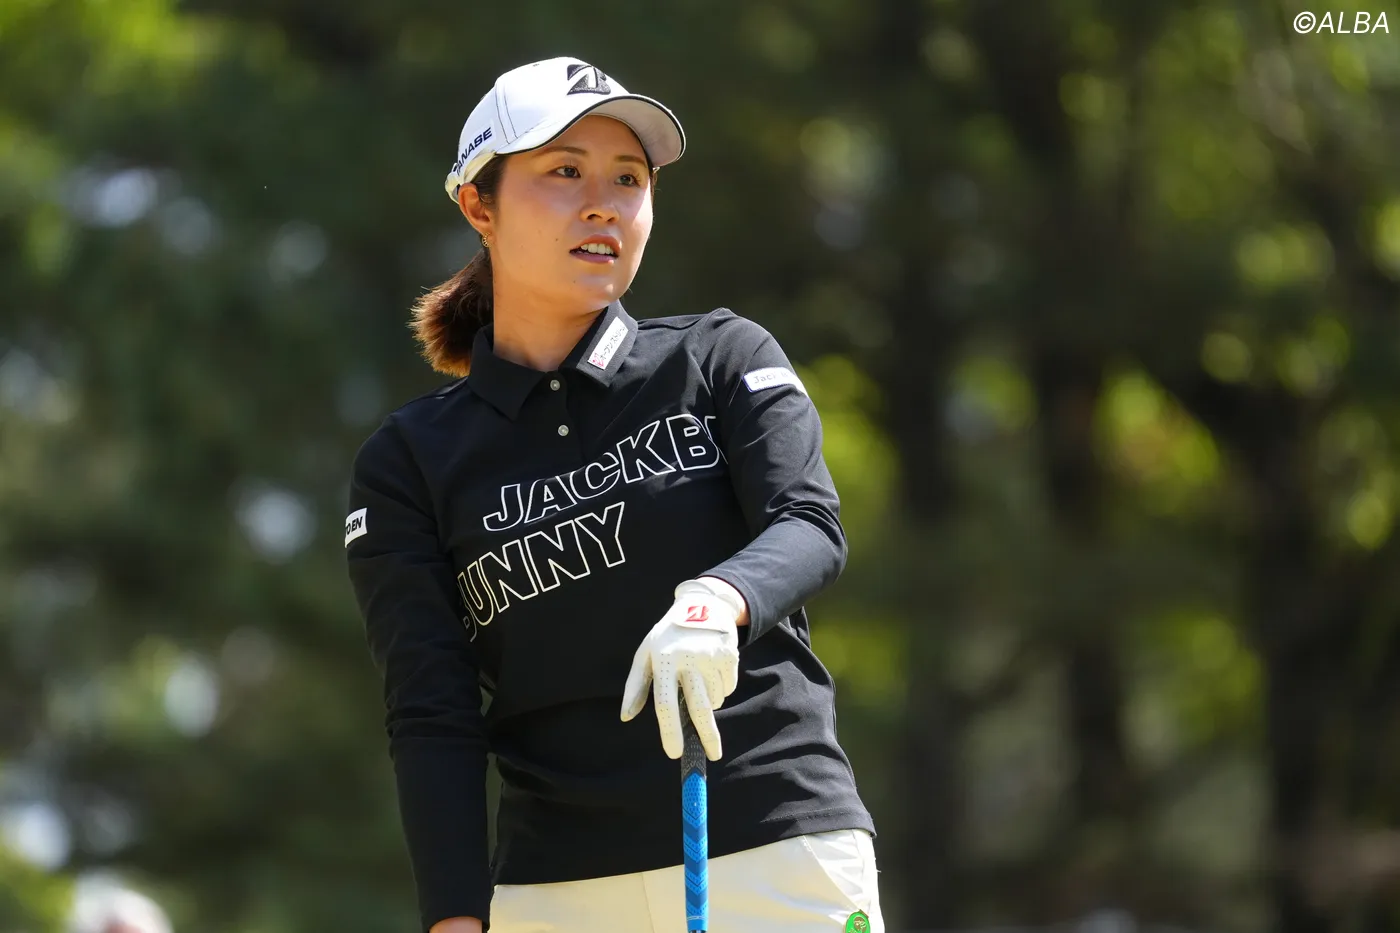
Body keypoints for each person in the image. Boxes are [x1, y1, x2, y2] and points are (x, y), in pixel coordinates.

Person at [344, 56, 883, 933]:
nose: (603, 204)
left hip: (772, 848)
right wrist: (454, 919)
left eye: (628, 178)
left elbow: (809, 523)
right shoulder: (409, 461)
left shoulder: (721, 358)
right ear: (479, 206)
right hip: (556, 891)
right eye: (565, 171)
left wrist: (719, 599)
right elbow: (431, 711)